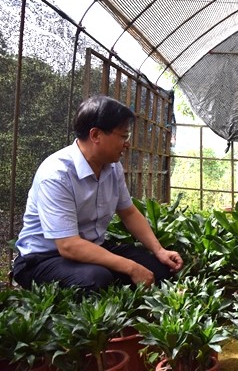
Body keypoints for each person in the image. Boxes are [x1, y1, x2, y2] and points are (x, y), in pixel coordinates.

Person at [12, 95, 183, 291]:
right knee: (95, 279)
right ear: (95, 135)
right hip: (44, 258)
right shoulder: (57, 174)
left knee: (159, 268)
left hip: (92, 248)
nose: (127, 144)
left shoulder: (112, 167)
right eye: (123, 136)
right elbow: (68, 246)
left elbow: (128, 212)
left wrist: (159, 250)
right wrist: (131, 268)